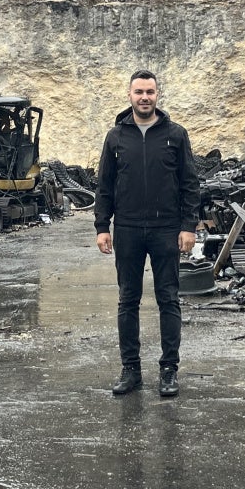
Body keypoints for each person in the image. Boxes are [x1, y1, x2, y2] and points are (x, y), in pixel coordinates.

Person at [94, 70, 200, 398]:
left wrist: (188, 226)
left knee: (168, 299)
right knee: (128, 300)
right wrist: (102, 226)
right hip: (126, 229)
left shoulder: (176, 135)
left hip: (166, 229)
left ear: (157, 95)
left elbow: (189, 184)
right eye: (139, 91)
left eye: (150, 92)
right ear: (129, 95)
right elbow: (105, 186)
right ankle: (131, 370)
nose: (144, 97)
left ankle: (169, 371)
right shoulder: (115, 137)